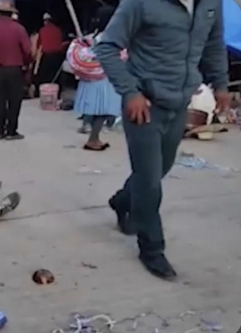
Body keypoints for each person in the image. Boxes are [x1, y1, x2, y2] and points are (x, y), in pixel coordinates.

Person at [95, 0, 229, 280]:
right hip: (144, 105)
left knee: (160, 169)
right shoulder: (141, 3)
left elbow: (214, 44)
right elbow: (106, 47)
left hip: (179, 104)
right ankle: (152, 249)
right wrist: (130, 93)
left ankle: (122, 201)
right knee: (149, 183)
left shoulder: (211, 3)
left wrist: (221, 85)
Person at [71, 6, 121, 151]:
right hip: (103, 79)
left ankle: (93, 136)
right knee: (102, 110)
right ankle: (93, 139)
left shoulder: (92, 36)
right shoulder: (109, 37)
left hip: (90, 78)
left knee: (93, 108)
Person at [0, 0, 32, 141]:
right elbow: (28, 51)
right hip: (15, 70)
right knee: (14, 101)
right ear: (12, 14)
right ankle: (11, 130)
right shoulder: (19, 29)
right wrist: (27, 63)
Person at [35, 13, 66, 89]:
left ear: (45, 21)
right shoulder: (58, 30)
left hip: (47, 57)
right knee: (56, 79)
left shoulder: (42, 30)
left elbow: (40, 47)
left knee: (45, 79)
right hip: (57, 57)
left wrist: (36, 66)